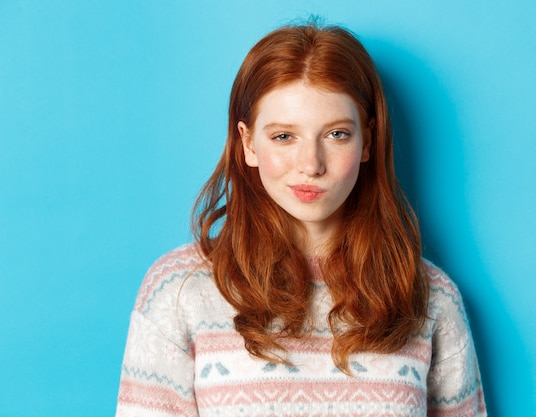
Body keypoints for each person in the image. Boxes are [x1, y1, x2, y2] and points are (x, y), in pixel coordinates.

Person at [115, 22, 486, 417]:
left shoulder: (430, 297)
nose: (311, 165)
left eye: (337, 134)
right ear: (248, 144)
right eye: (284, 137)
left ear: (367, 141)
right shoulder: (178, 290)